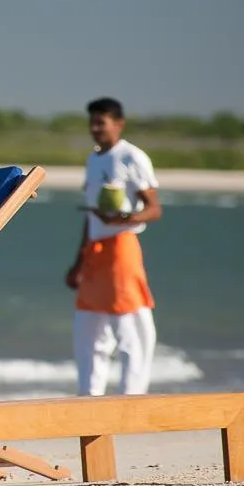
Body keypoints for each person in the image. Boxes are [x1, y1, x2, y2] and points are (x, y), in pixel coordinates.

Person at [64, 96, 162, 396]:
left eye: (101, 123)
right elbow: (90, 214)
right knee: (89, 326)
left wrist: (127, 217)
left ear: (118, 124)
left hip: (121, 246)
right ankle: (88, 397)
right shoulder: (94, 159)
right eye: (92, 123)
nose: (95, 128)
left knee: (131, 327)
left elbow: (154, 208)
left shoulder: (131, 157)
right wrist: (79, 261)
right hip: (95, 248)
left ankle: (132, 396)